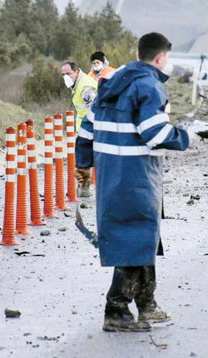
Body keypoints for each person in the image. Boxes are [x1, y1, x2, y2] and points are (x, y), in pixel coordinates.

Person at [75, 32, 198, 332]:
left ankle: (147, 305)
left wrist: (85, 168)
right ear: (159, 58)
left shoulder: (109, 83)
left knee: (142, 237)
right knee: (135, 238)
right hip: (137, 175)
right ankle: (116, 309)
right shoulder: (149, 86)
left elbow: (86, 131)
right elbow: (155, 134)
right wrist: (187, 137)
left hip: (110, 176)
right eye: (167, 59)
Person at [61, 61, 98, 197]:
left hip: (91, 129)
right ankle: (84, 190)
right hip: (85, 129)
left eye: (68, 73)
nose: (66, 77)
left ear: (77, 72)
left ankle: (85, 190)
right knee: (85, 159)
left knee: (87, 159)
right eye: (63, 74)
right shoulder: (78, 85)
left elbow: (95, 110)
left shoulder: (86, 86)